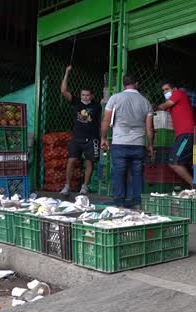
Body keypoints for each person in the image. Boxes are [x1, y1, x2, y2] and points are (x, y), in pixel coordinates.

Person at [101, 73, 154, 209]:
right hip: (138, 144)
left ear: (124, 84)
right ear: (137, 84)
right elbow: (149, 127)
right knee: (137, 173)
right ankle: (138, 203)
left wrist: (103, 137)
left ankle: (120, 204)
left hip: (119, 142)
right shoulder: (145, 102)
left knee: (119, 172)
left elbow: (106, 120)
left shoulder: (115, 98)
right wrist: (150, 145)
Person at [60, 65, 102, 195]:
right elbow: (63, 91)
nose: (85, 97)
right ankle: (67, 186)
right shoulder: (76, 101)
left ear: (92, 96)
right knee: (71, 160)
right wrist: (67, 73)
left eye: (87, 95)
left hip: (91, 138)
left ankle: (85, 186)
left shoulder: (97, 105)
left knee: (90, 162)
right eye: (83, 95)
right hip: (76, 138)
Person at [156, 80, 195, 185]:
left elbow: (163, 106)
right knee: (179, 162)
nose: (165, 92)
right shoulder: (173, 106)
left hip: (186, 134)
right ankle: (194, 185)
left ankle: (195, 186)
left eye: (167, 89)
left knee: (175, 163)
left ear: (174, 89)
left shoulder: (179, 93)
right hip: (181, 135)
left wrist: (154, 107)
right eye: (163, 91)